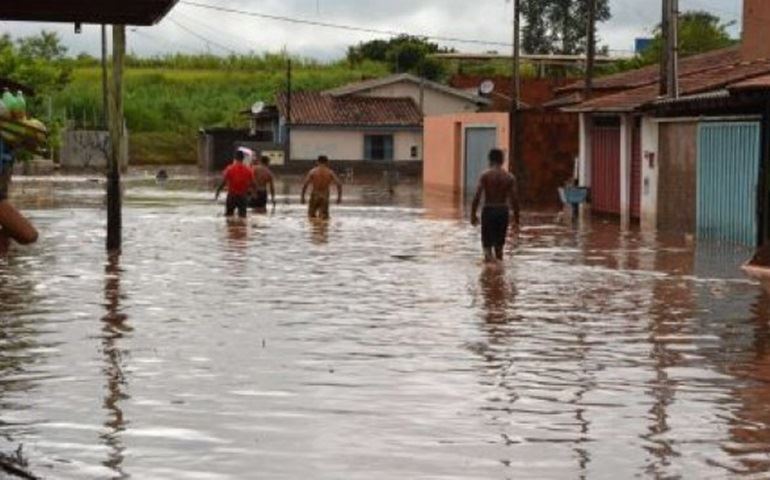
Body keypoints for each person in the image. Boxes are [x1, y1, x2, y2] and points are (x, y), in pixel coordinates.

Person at [470, 148, 521, 263]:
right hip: (503, 211)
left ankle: (489, 274)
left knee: (487, 247)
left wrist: (473, 215)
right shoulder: (509, 177)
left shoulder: (485, 175)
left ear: (489, 160)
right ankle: (499, 275)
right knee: (499, 248)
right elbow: (515, 200)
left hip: (488, 210)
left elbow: (477, 196)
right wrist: (517, 221)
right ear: (502, 160)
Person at [215, 149, 258, 219]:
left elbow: (223, 182)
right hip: (243, 196)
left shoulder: (229, 169)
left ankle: (231, 229)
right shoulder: (248, 170)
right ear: (243, 158)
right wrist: (255, 193)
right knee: (243, 217)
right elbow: (253, 184)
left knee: (228, 216)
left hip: (232, 196)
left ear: (235, 158)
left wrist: (218, 191)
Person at [301, 155, 342, 220]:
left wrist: (302, 197)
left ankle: (314, 229)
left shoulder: (313, 171)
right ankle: (323, 228)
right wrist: (339, 198)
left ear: (317, 162)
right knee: (324, 217)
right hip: (325, 194)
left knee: (311, 216)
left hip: (315, 194)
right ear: (327, 162)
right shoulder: (330, 172)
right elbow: (339, 184)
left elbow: (305, 184)